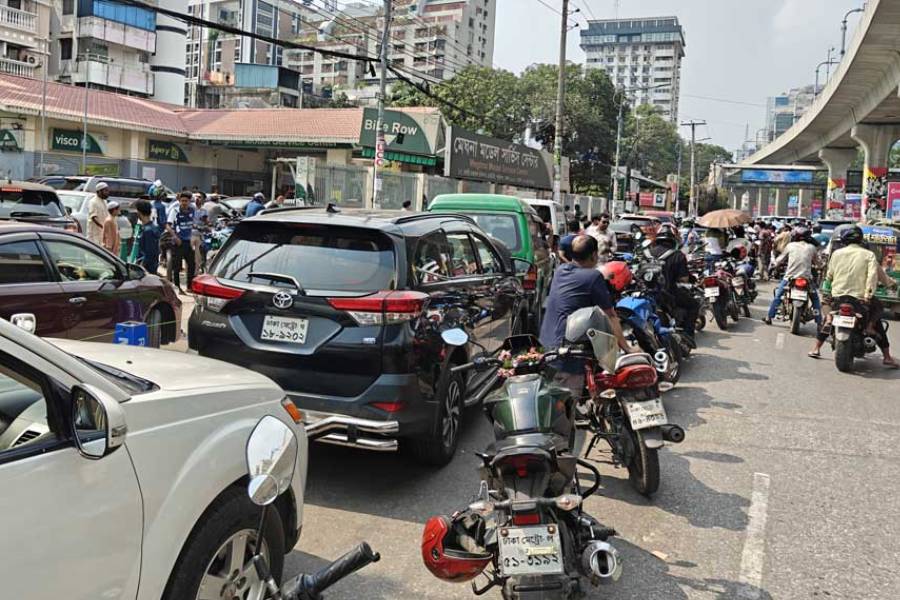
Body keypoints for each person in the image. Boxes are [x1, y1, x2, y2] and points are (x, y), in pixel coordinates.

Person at [539, 235, 633, 392]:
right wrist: (627, 348)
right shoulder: (593, 277)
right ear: (594, 255)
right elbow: (611, 316)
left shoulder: (561, 271)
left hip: (547, 347)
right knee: (570, 401)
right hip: (568, 353)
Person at [808, 226, 898, 367]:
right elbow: (872, 277)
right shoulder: (869, 255)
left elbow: (829, 276)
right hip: (860, 299)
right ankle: (885, 353)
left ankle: (816, 347)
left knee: (826, 306)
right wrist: (868, 295)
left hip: (838, 297)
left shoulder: (837, 254)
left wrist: (828, 290)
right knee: (878, 311)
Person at [763, 228, 822, 326]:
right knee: (815, 299)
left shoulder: (790, 246)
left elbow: (779, 260)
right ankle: (819, 322)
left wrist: (774, 265)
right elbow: (819, 263)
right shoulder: (812, 247)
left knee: (778, 296)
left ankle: (769, 317)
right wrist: (820, 266)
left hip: (789, 278)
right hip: (807, 278)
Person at [649, 227, 700, 340]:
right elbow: (684, 279)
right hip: (668, 294)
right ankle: (688, 335)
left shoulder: (647, 253)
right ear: (673, 239)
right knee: (694, 305)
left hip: (646, 294)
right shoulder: (678, 255)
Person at [166, 192, 196, 292]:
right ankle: (177, 287)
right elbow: (168, 225)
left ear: (189, 201)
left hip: (188, 242)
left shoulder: (192, 210)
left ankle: (189, 287)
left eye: (186, 201)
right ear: (179, 201)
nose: (184, 203)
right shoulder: (175, 211)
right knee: (177, 266)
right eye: (182, 201)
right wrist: (175, 237)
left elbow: (192, 225)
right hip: (178, 242)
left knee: (192, 265)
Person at [133, 199, 160, 275]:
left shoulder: (148, 231)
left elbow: (149, 253)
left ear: (139, 212)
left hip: (147, 269)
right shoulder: (151, 228)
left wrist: (141, 267)